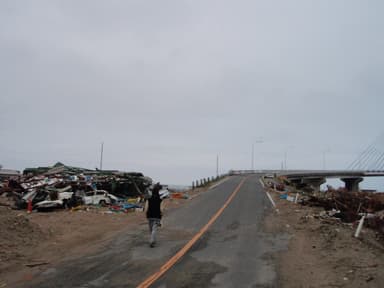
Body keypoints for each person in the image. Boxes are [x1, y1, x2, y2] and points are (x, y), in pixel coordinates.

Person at [145, 182, 163, 248]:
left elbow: (146, 208)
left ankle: (152, 239)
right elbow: (161, 209)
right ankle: (152, 241)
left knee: (151, 229)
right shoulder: (160, 200)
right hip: (157, 216)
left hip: (150, 216)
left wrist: (146, 214)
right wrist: (162, 215)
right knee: (154, 229)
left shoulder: (148, 200)